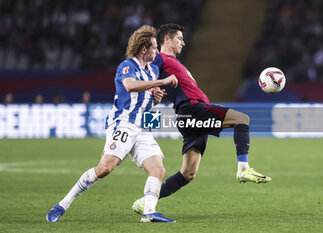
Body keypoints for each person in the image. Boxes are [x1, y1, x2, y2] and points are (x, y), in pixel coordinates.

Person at [132, 23, 271, 214]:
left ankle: (145, 201)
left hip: (188, 116)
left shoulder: (175, 63)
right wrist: (151, 92)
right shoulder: (160, 59)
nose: (183, 42)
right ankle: (244, 168)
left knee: (187, 174)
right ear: (166, 39)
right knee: (241, 119)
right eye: (179, 38)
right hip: (193, 110)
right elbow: (145, 77)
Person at [46, 25, 178, 223]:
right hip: (123, 124)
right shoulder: (127, 67)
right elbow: (130, 85)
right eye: (153, 47)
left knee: (158, 169)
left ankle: (149, 213)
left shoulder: (152, 71)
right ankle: (62, 204)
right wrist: (162, 83)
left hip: (141, 127)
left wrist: (156, 98)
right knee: (105, 168)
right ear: (144, 48)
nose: (157, 51)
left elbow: (146, 101)